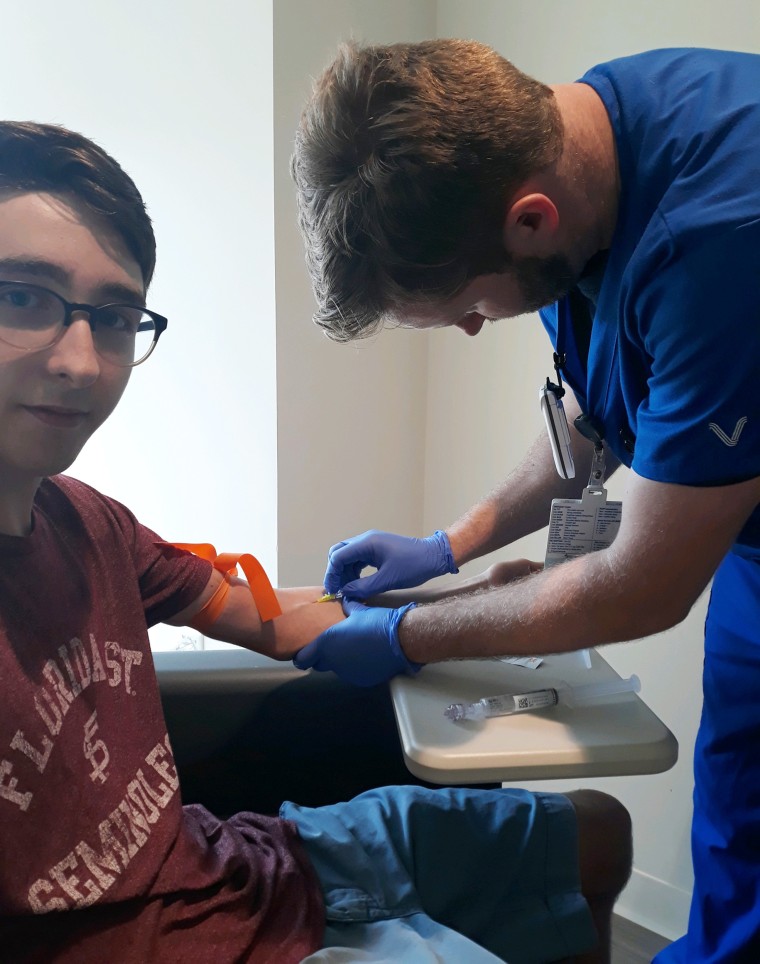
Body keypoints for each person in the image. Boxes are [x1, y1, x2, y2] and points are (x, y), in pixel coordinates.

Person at [0, 121, 631, 964]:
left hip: (232, 868)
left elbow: (273, 619)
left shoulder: (92, 524)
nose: (81, 362)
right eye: (22, 297)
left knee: (596, 834)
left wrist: (470, 588)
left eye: (113, 316)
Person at [290, 40, 760, 962]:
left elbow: (641, 589)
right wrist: (450, 542)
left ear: (530, 220)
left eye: (468, 310)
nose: (473, 329)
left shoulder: (725, 238)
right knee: (738, 815)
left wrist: (409, 633)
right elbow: (600, 404)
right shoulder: (577, 147)